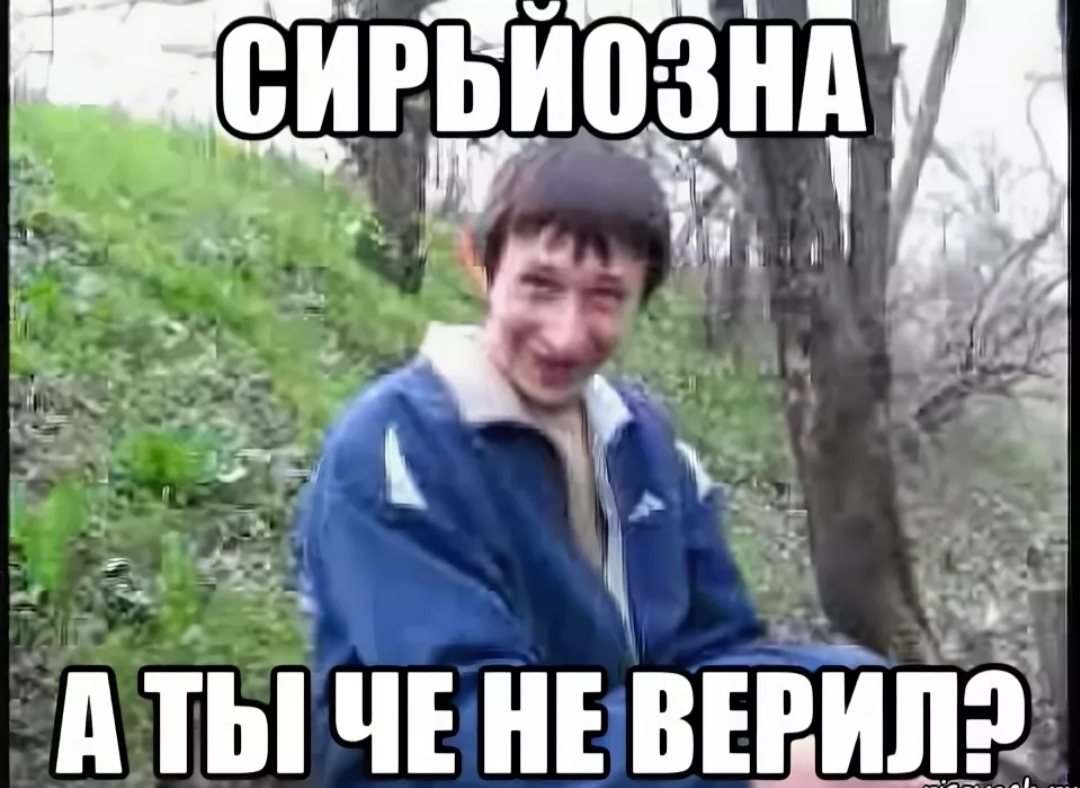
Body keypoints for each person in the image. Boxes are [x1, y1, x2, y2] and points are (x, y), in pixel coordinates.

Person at [292, 138, 914, 788]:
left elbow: (714, 649)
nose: (565, 333)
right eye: (539, 285)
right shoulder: (392, 451)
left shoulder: (645, 443)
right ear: (479, 264)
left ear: (642, 298)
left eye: (605, 296)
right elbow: (464, 731)